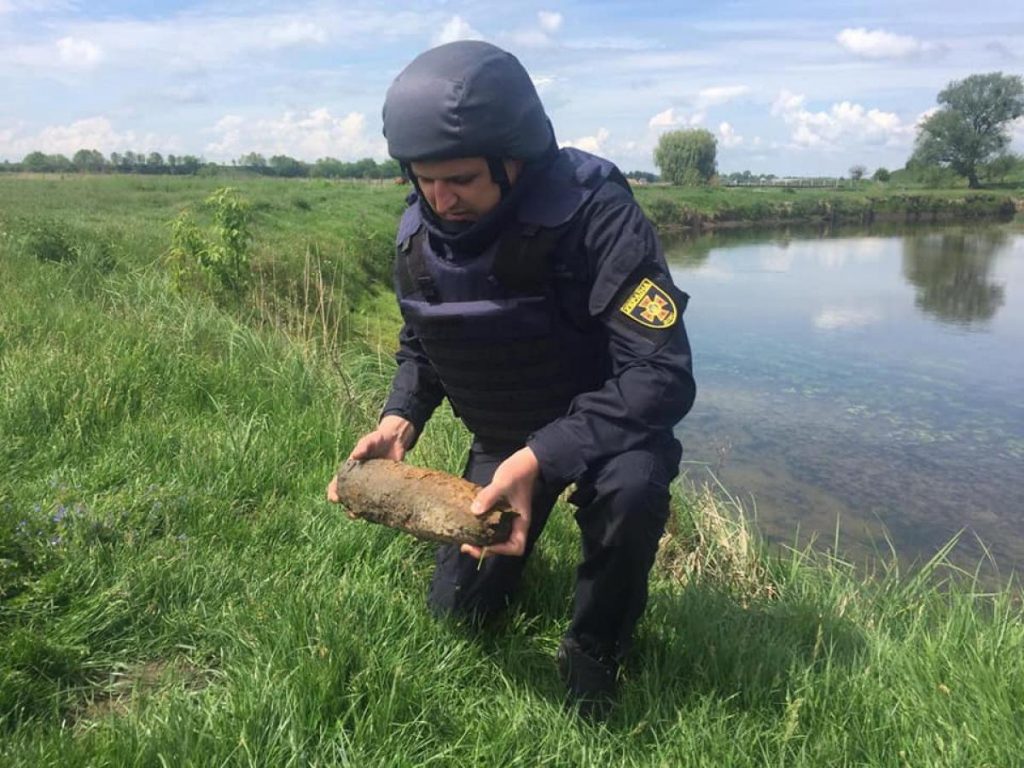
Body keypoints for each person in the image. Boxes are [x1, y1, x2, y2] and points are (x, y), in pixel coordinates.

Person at [326, 40, 695, 716]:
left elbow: (663, 378)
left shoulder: (596, 214)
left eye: (461, 179)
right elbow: (422, 342)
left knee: (633, 491)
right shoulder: (418, 236)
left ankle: (595, 647)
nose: (441, 199)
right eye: (424, 179)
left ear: (514, 158)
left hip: (607, 430)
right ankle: (506, 566)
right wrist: (398, 417)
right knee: (458, 618)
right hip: (506, 435)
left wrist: (546, 454)